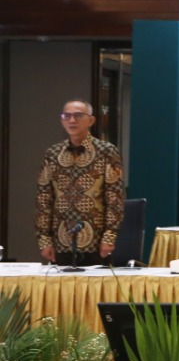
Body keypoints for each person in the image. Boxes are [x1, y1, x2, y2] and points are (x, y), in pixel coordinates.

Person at [35, 99, 125, 266]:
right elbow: (44, 199)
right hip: (61, 237)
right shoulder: (52, 153)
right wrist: (44, 240)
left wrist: (109, 236)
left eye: (78, 115)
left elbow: (115, 199)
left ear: (91, 120)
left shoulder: (106, 151)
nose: (72, 120)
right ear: (61, 120)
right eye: (66, 116)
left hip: (96, 239)